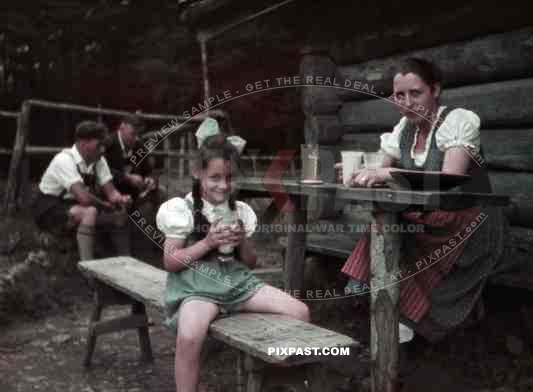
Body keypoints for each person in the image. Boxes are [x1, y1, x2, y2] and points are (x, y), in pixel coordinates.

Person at [340, 57, 507, 343]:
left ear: (435, 90)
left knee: (397, 230)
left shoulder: (457, 120)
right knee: (390, 227)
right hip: (433, 219)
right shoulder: (403, 130)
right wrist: (362, 173)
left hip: (471, 222)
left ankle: (398, 319)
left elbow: (447, 181)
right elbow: (381, 175)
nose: (407, 102)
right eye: (400, 95)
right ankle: (393, 319)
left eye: (416, 93)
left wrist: (386, 172)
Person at [156, 118, 310, 392]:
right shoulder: (181, 209)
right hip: (198, 288)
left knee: (300, 312)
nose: (223, 186)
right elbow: (170, 261)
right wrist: (207, 242)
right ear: (197, 173)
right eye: (215, 178)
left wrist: (241, 242)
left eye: (229, 177)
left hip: (237, 285)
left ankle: (270, 377)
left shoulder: (239, 210)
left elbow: (251, 263)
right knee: (189, 336)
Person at [33, 121, 133, 260]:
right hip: (50, 208)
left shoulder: (99, 160)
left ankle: (126, 262)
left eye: (104, 145)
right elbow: (84, 198)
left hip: (75, 205)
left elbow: (111, 193)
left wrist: (121, 199)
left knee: (119, 215)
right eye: (99, 145)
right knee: (90, 212)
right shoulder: (64, 159)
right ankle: (88, 267)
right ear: (83, 143)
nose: (103, 149)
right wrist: (105, 206)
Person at [104, 114, 165, 222]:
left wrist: (150, 180)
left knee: (161, 192)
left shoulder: (139, 146)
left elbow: (149, 171)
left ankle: (150, 230)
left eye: (138, 134)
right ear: (122, 128)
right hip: (112, 190)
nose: (136, 138)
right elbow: (103, 171)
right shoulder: (108, 144)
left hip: (134, 192)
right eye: (132, 134)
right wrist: (126, 177)